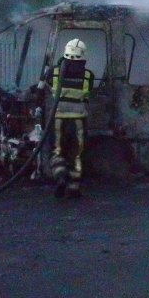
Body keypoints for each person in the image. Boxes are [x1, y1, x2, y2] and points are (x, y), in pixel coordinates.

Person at [49, 38, 94, 198]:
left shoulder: (54, 71)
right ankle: (74, 187)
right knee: (77, 153)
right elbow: (87, 95)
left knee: (57, 150)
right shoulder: (89, 76)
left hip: (58, 118)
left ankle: (60, 177)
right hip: (78, 120)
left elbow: (46, 87)